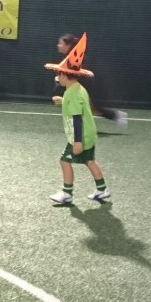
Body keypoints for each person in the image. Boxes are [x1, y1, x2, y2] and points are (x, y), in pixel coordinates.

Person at [44, 35, 112, 205]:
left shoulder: (72, 94)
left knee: (64, 160)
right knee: (90, 161)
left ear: (64, 75)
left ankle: (67, 193)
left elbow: (77, 118)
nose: (57, 77)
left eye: (58, 74)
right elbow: (79, 107)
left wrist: (77, 142)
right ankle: (102, 190)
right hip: (89, 134)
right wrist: (63, 101)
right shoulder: (77, 89)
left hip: (80, 136)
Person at [51, 33, 127, 127]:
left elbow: (76, 72)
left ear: (68, 45)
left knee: (92, 107)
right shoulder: (69, 56)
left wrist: (61, 79)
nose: (58, 45)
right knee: (90, 107)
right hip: (80, 84)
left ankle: (116, 116)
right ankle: (115, 116)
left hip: (85, 84)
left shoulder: (75, 56)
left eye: (60, 43)